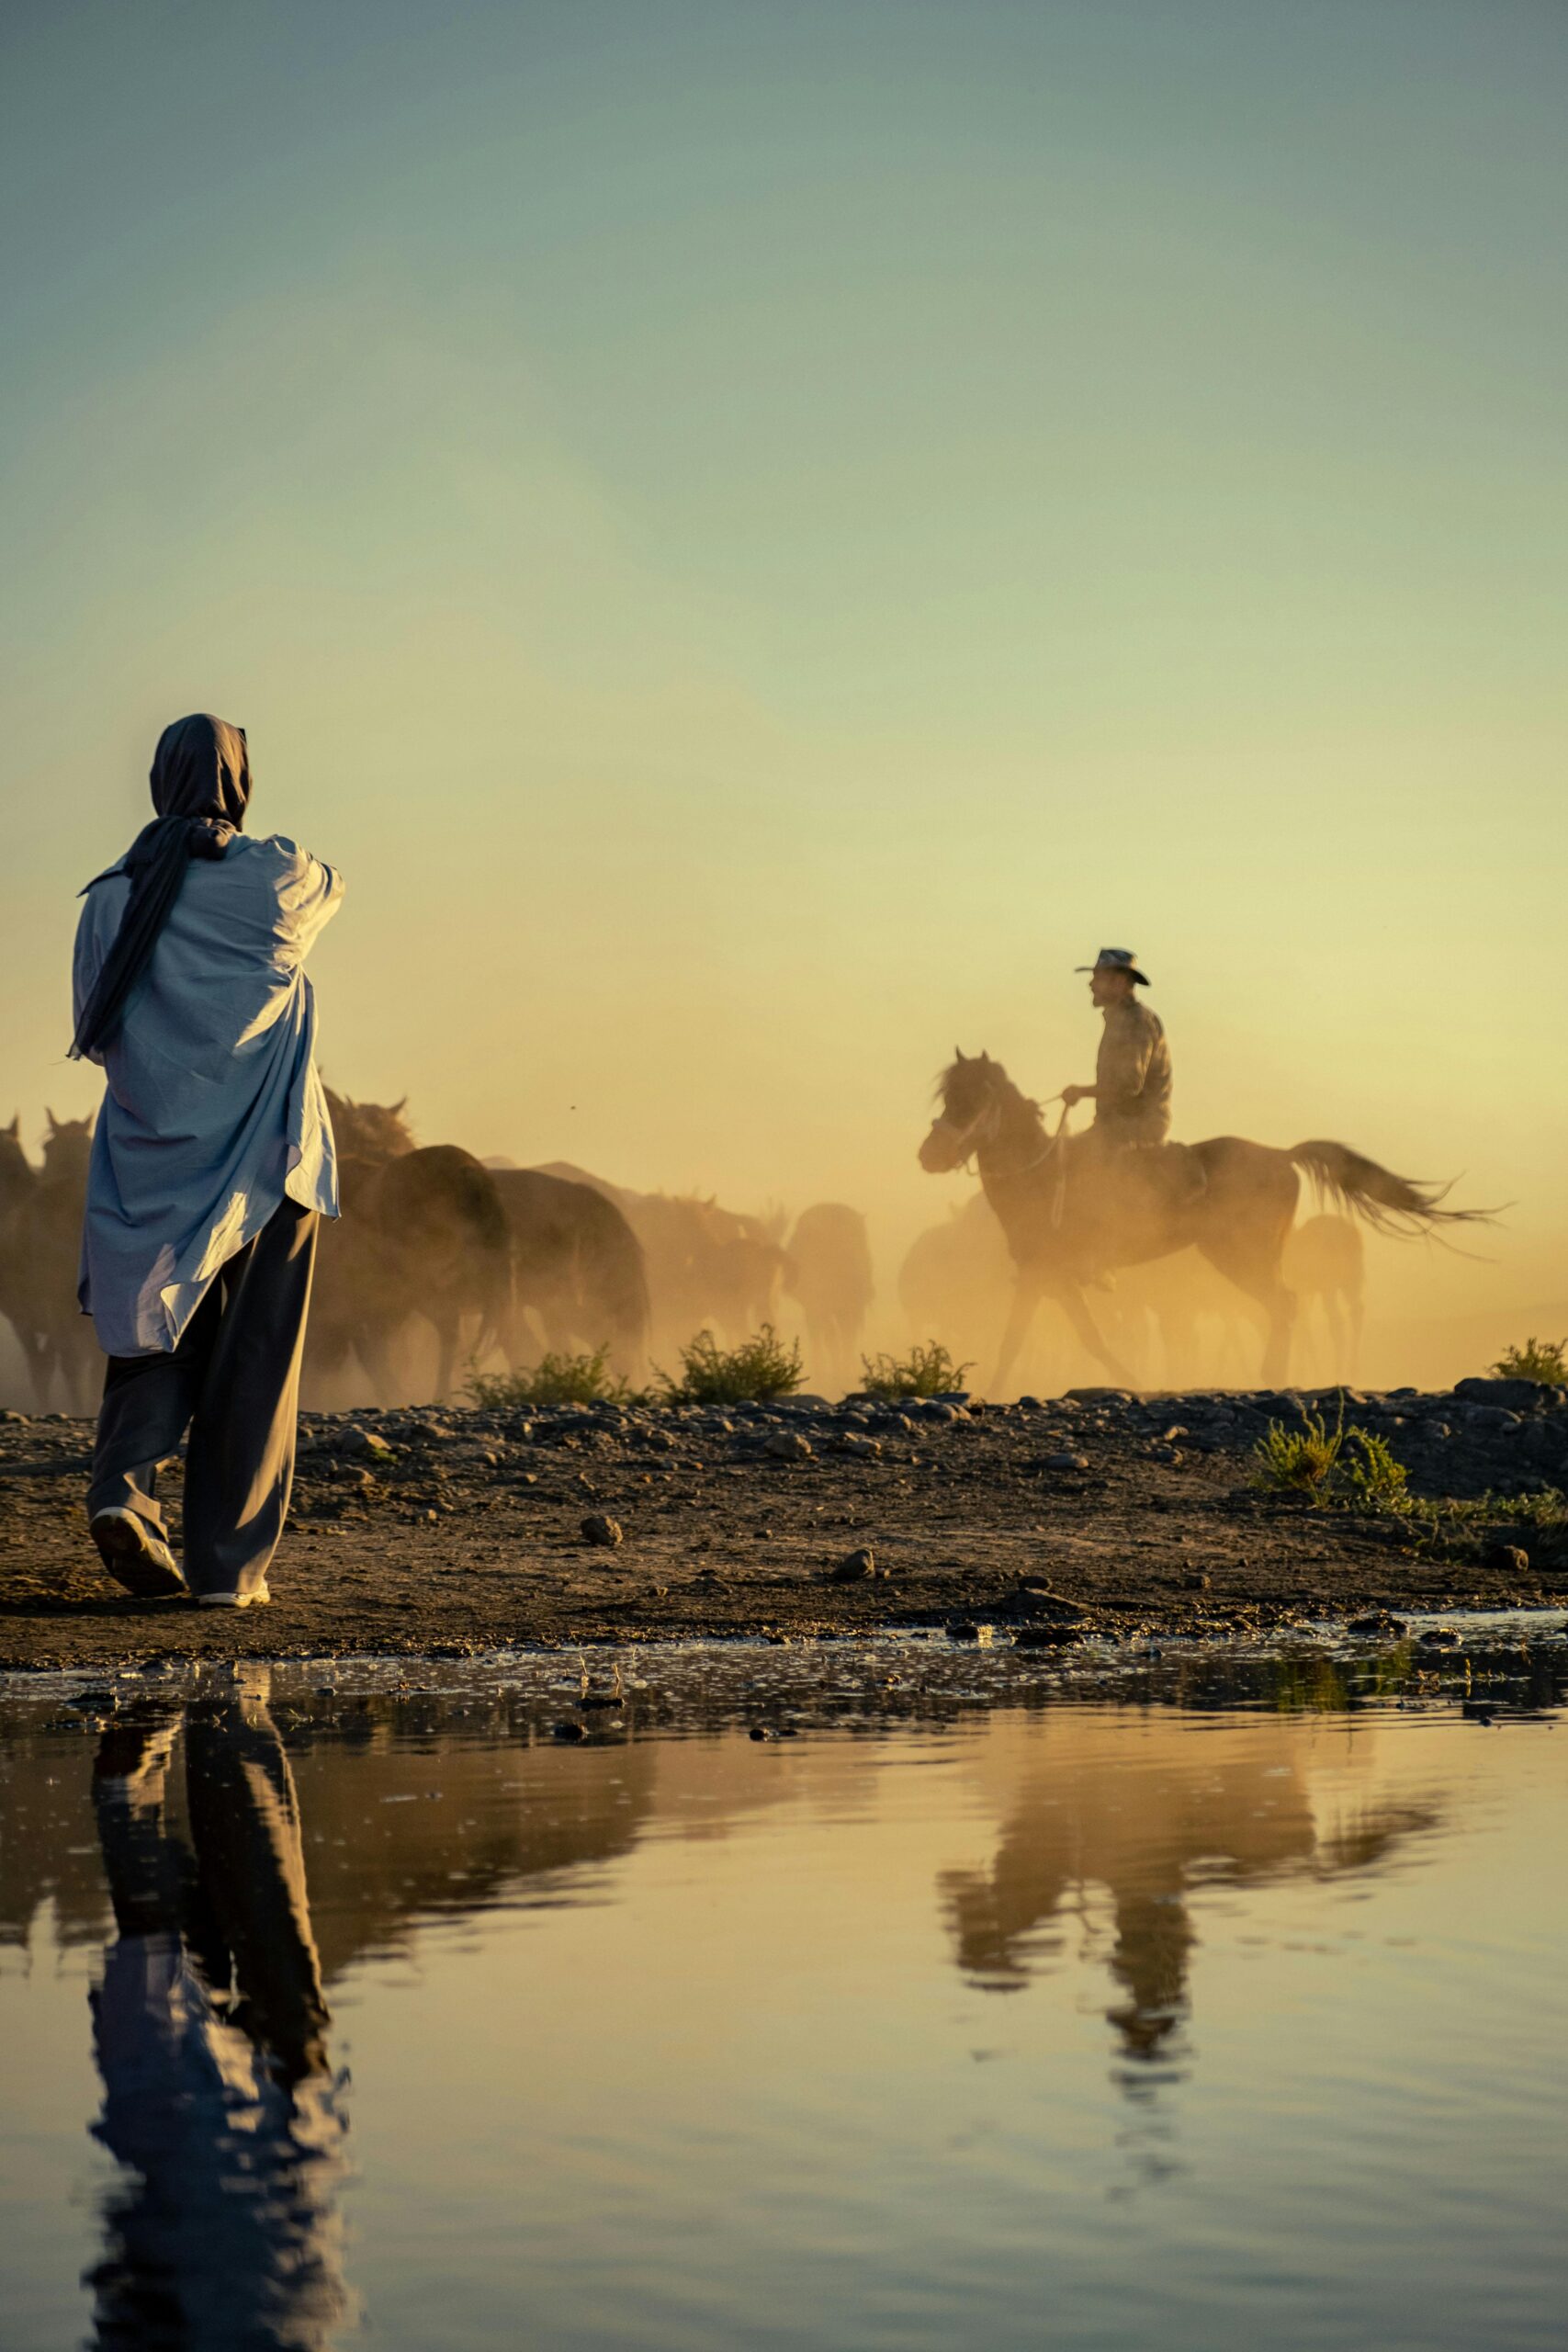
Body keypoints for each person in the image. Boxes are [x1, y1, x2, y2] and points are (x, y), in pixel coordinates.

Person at [71, 714, 343, 1607]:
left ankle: (124, 1494)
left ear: (158, 781)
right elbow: (332, 879)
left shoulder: (110, 897)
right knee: (254, 1357)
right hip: (268, 1164)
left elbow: (99, 1036)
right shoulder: (274, 880)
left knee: (153, 1334)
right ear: (239, 781)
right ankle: (226, 1572)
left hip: (150, 1161)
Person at [1061, 947, 1171, 1145]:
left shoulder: (1136, 1022)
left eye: (1098, 978)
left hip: (1137, 1127)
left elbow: (1128, 1086)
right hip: (1114, 1125)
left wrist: (1081, 1092)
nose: (1091, 984)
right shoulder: (1120, 1020)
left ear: (1119, 982)